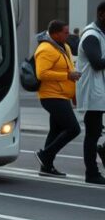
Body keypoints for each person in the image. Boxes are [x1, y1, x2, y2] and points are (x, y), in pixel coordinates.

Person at [34, 20, 81, 177]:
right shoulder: (45, 49)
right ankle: (45, 155)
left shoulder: (64, 47)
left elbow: (71, 70)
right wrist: (66, 75)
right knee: (74, 129)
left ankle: (46, 166)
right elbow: (42, 73)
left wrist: (73, 95)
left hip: (62, 95)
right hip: (51, 96)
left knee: (56, 130)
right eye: (65, 32)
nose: (68, 35)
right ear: (55, 34)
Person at [76, 1, 105, 185]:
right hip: (93, 93)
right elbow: (97, 62)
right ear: (102, 14)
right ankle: (91, 173)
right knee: (92, 134)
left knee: (95, 132)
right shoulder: (91, 35)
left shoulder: (100, 34)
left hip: (100, 91)